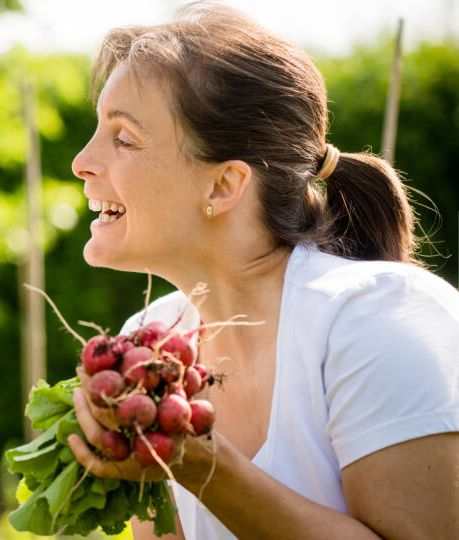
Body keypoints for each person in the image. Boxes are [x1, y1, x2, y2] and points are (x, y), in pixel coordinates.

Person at [65, 3, 459, 539]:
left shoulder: (376, 317)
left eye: (124, 138)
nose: (81, 161)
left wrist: (202, 466)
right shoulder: (151, 346)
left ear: (223, 185)